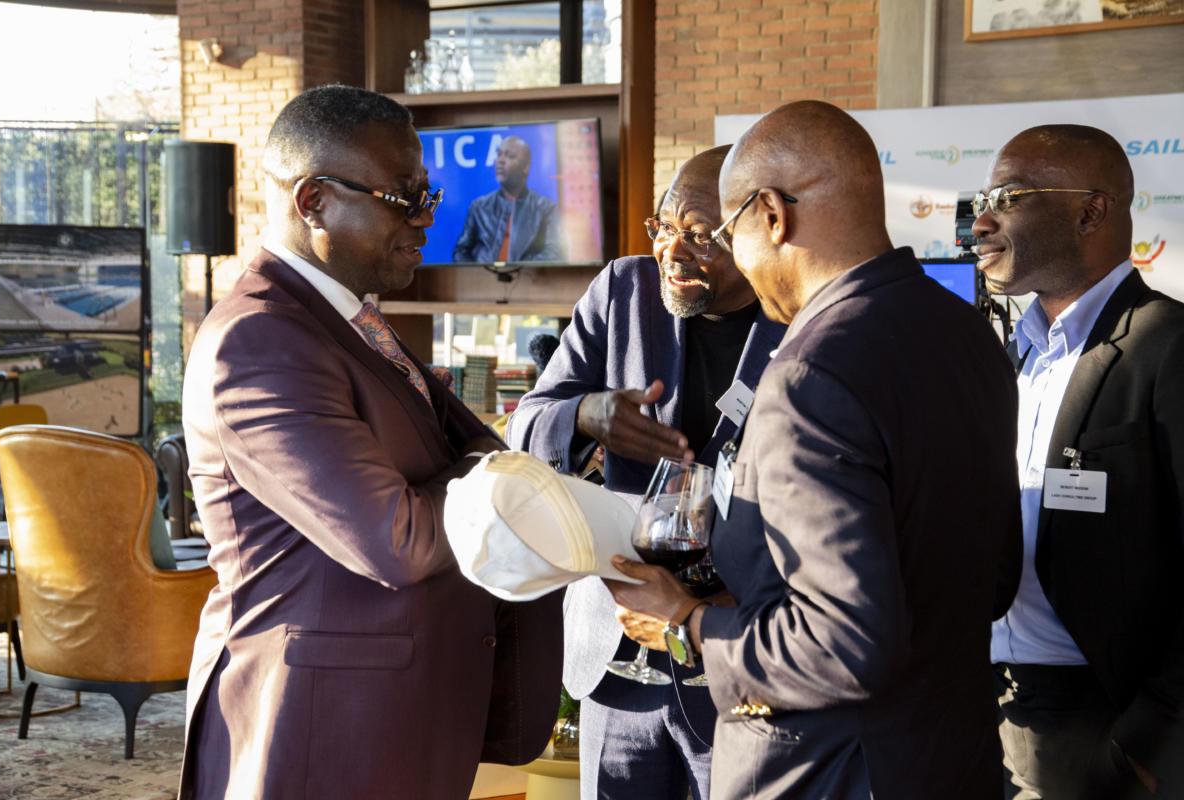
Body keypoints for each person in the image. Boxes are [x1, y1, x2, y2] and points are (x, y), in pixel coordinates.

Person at [607, 100, 1022, 800]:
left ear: (772, 214)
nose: (737, 263)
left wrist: (688, 623)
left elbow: (841, 645)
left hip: (827, 772)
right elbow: (993, 576)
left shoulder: (809, 372)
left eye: (726, 234)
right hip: (953, 756)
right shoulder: (964, 329)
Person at [178, 85, 562, 800]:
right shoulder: (259, 340)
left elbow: (476, 446)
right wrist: (494, 471)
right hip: (320, 734)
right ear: (314, 201)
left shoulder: (348, 320)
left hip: (394, 724)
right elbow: (398, 539)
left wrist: (488, 462)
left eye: (427, 195)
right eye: (403, 198)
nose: (426, 217)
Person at [507, 145, 787, 800]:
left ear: (753, 230)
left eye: (700, 235)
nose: (673, 251)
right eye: (664, 227)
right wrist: (588, 415)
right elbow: (528, 424)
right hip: (619, 652)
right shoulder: (624, 292)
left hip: (735, 648)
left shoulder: (797, 312)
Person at [976, 125, 1184, 799]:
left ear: (1090, 212)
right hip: (992, 708)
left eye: (1008, 197)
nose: (981, 221)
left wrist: (1149, 744)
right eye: (983, 199)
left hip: (1105, 727)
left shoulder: (1168, 345)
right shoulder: (1016, 352)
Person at [453, 135, 563, 263]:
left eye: (510, 156)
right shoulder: (479, 207)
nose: (500, 160)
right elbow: (460, 252)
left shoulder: (544, 208)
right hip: (482, 274)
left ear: (526, 167)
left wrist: (520, 266)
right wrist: (480, 268)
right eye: (499, 154)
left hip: (529, 275)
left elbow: (554, 253)